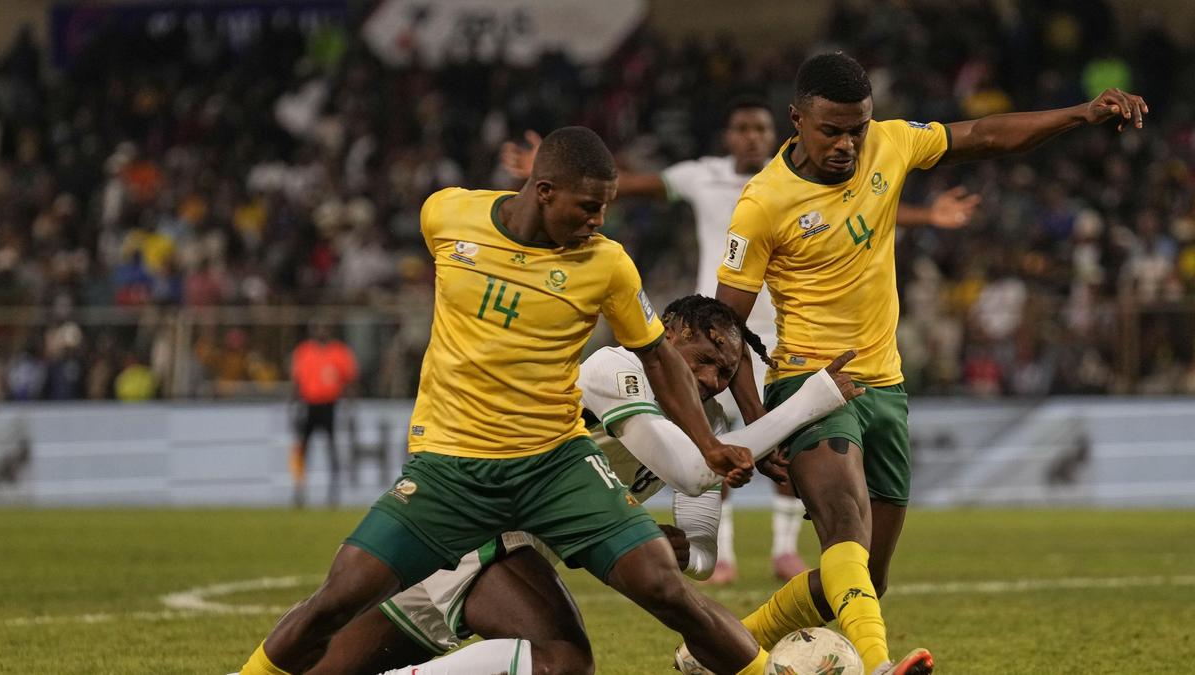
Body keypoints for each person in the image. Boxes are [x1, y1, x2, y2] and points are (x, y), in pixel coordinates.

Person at [238, 126, 773, 675]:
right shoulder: (447, 215)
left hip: (554, 465)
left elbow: (658, 356)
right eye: (588, 207)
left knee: (664, 589)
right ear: (544, 191)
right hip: (452, 466)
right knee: (336, 600)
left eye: (605, 207)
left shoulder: (608, 264)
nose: (599, 221)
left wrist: (709, 444)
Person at [710, 52, 1148, 675]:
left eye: (857, 128)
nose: (846, 144)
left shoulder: (890, 144)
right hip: (808, 383)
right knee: (844, 529)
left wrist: (1081, 113)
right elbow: (722, 330)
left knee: (867, 579)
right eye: (831, 130)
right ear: (797, 119)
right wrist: (760, 426)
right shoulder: (763, 202)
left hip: (885, 385)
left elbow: (986, 135)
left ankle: (712, 648)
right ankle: (878, 665)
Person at [502, 97, 979, 584]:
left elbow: (864, 209)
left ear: (775, 132)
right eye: (742, 128)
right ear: (729, 136)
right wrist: (554, 171)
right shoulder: (703, 176)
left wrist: (927, 216)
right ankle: (727, 549)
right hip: (715, 326)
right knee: (724, 444)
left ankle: (783, 547)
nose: (751, 137)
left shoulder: (795, 184)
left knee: (759, 446)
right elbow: (631, 185)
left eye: (758, 129)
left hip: (775, 334)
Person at [302, 295, 862, 675]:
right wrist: (812, 400)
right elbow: (692, 470)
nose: (712, 380)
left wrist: (688, 551)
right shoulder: (614, 369)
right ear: (669, 335)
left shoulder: (709, 423)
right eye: (705, 359)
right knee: (566, 660)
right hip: (479, 523)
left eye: (725, 372)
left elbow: (702, 540)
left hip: (512, 546)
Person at [289, 322, 358, 508]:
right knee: (302, 449)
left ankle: (333, 491)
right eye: (317, 328)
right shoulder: (304, 351)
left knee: (331, 449)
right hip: (309, 405)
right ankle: (299, 489)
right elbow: (297, 381)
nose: (321, 332)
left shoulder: (339, 352)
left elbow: (349, 381)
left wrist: (350, 405)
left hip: (329, 405)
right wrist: (292, 405)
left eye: (324, 328)